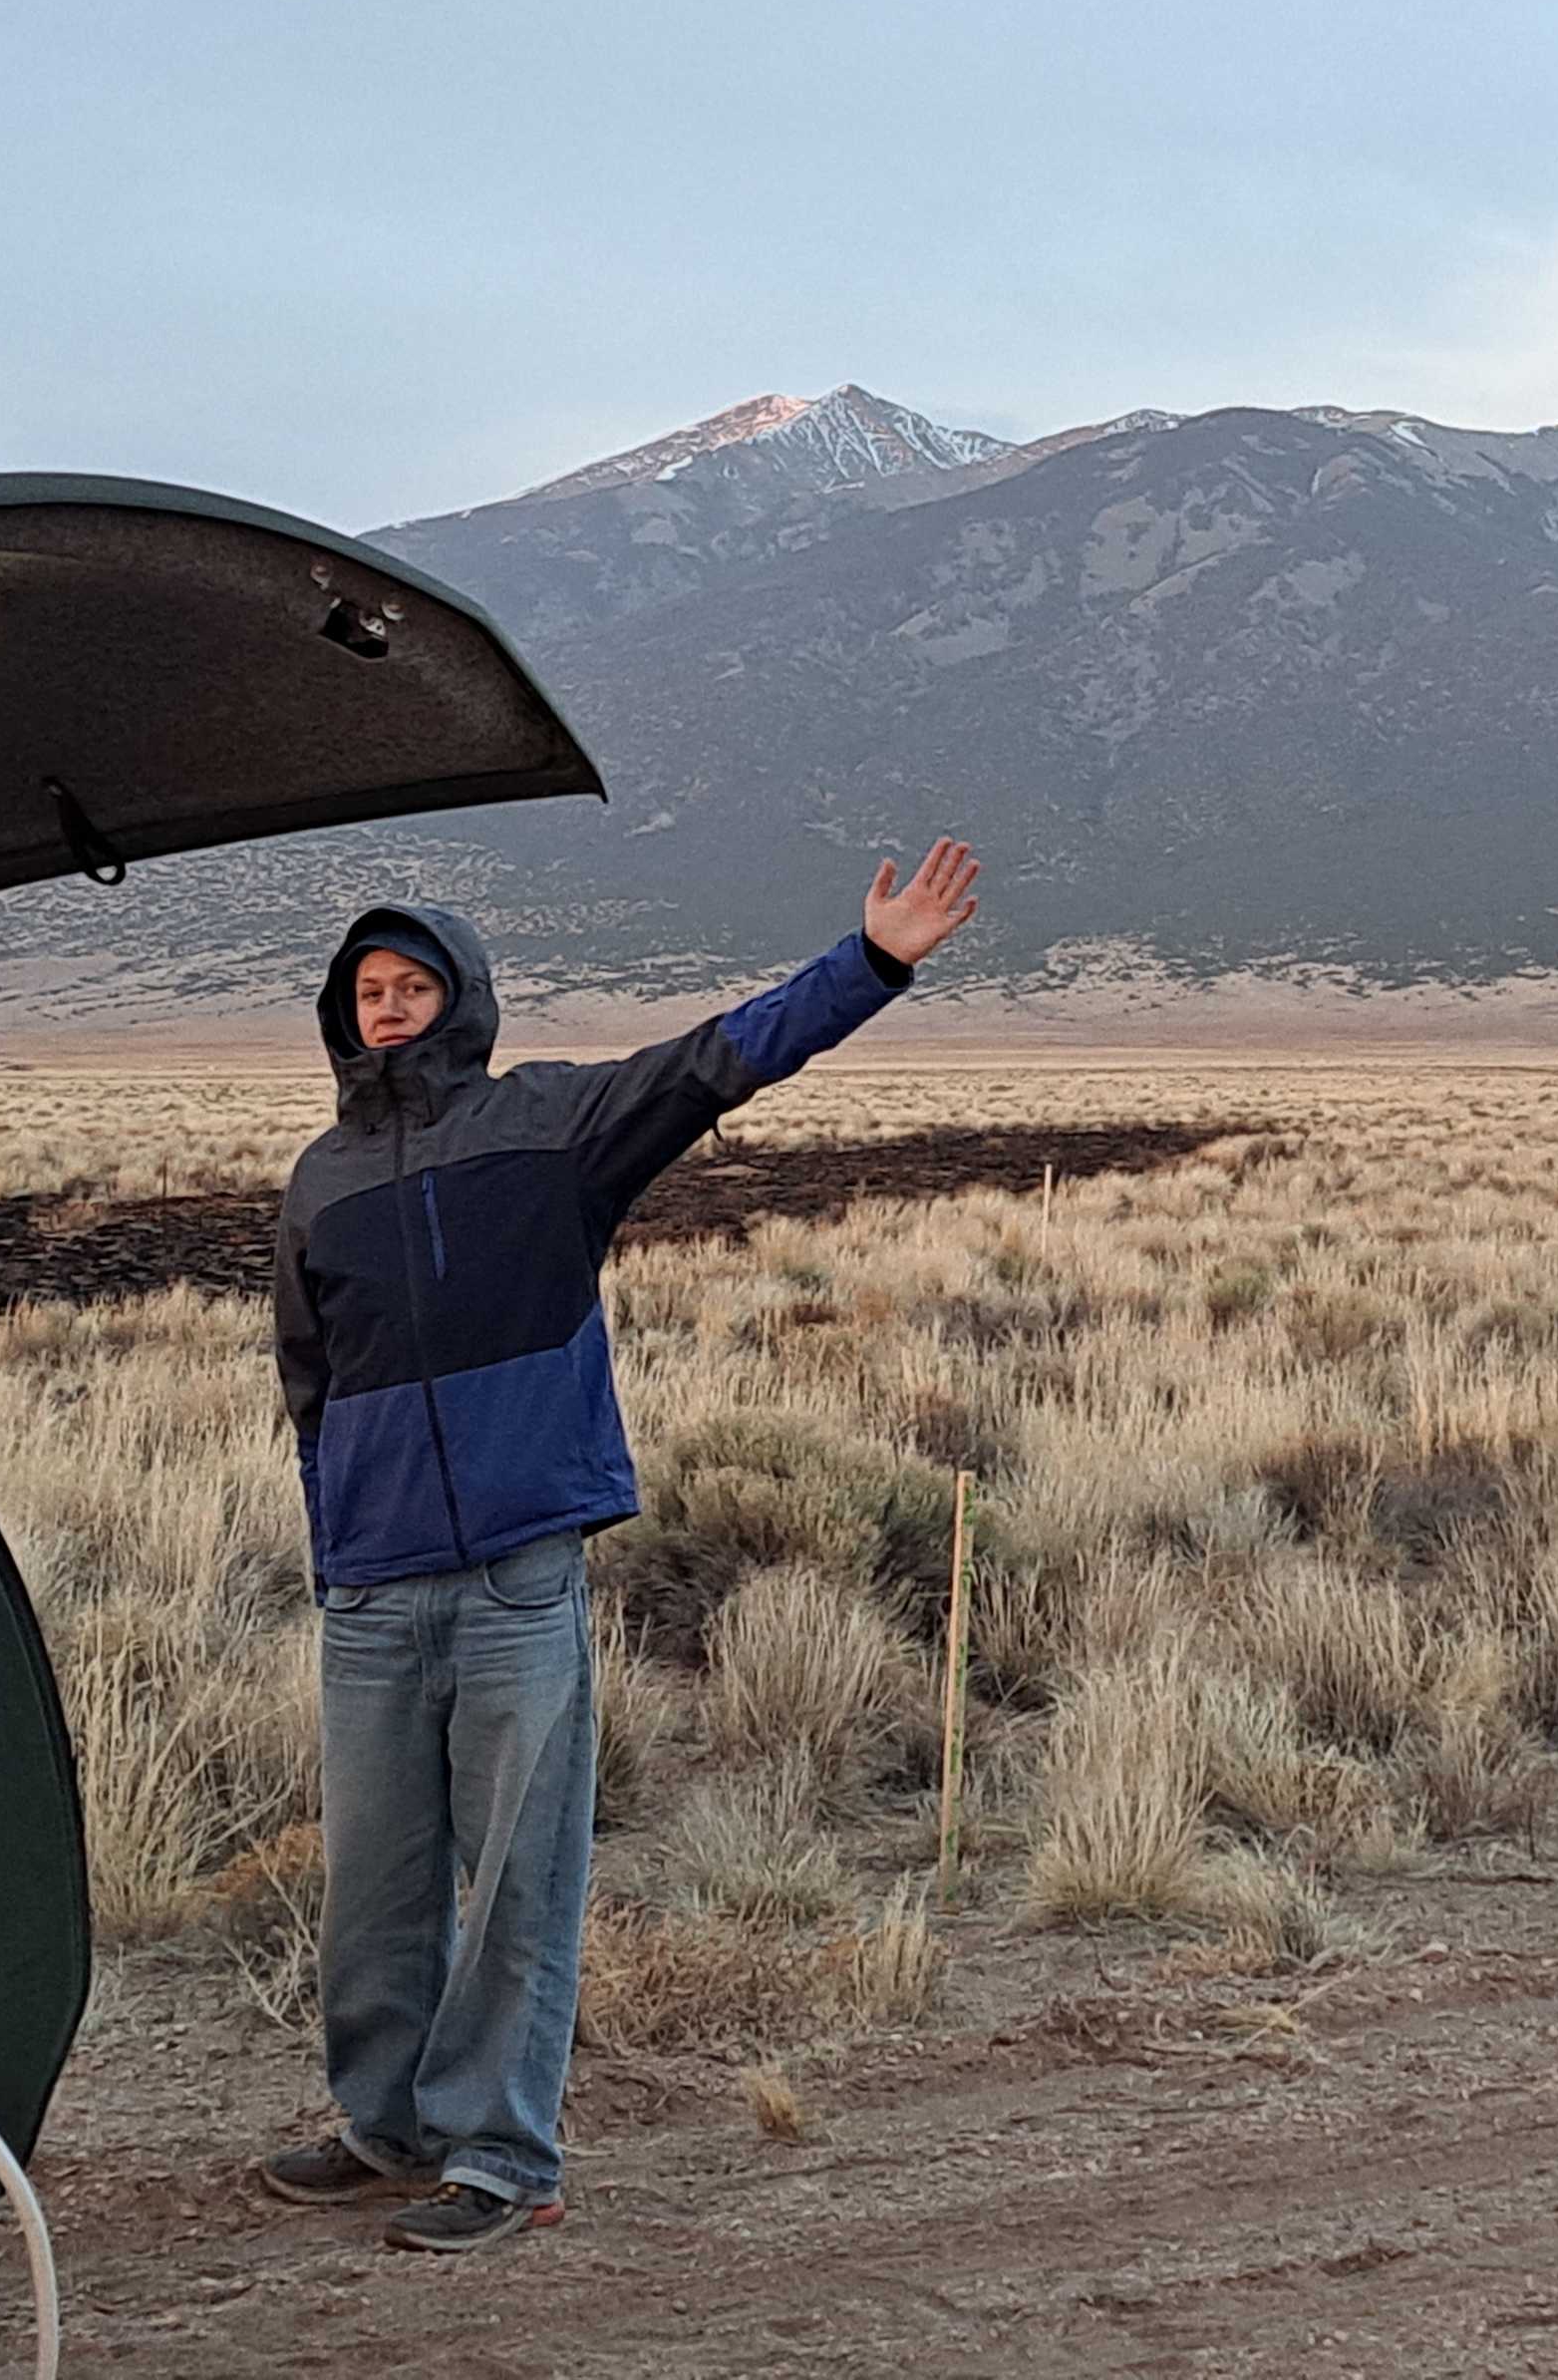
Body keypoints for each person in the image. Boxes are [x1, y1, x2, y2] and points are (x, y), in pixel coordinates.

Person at [251, 839, 980, 2250]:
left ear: (462, 1001)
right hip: (374, 1592)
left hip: (519, 1575)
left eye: (413, 985)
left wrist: (874, 962)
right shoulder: (320, 1180)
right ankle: (387, 2129)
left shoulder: (552, 1129)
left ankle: (504, 2156)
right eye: (368, 991)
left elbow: (721, 1060)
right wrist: (333, 1545)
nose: (388, 1008)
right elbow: (309, 1382)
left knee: (521, 1878)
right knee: (376, 1885)